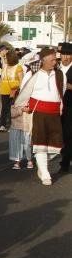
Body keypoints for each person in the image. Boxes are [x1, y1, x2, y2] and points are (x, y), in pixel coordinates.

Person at [14, 48, 64, 186]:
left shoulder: (60, 75)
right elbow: (24, 92)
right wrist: (22, 106)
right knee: (40, 143)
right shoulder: (34, 75)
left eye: (55, 59)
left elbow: (62, 92)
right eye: (52, 60)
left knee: (55, 146)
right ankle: (44, 172)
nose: (55, 62)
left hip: (54, 114)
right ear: (43, 61)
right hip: (39, 114)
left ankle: (42, 166)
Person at [0, 50, 23, 132]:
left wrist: (21, 90)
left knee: (11, 108)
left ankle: (12, 125)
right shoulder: (5, 66)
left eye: (6, 58)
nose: (4, 59)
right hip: (4, 90)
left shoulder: (18, 67)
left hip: (14, 90)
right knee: (4, 108)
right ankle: (3, 125)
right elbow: (1, 78)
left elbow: (21, 80)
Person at [57, 43, 72, 172]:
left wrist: (68, 86)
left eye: (68, 55)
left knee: (68, 134)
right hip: (56, 107)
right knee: (60, 133)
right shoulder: (56, 68)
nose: (66, 57)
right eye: (63, 54)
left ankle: (65, 162)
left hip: (70, 107)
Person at [9, 100, 33, 170]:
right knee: (16, 145)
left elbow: (32, 115)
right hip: (16, 127)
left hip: (26, 127)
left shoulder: (29, 104)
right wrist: (21, 110)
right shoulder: (14, 105)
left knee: (27, 144)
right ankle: (17, 162)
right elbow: (12, 114)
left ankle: (29, 160)